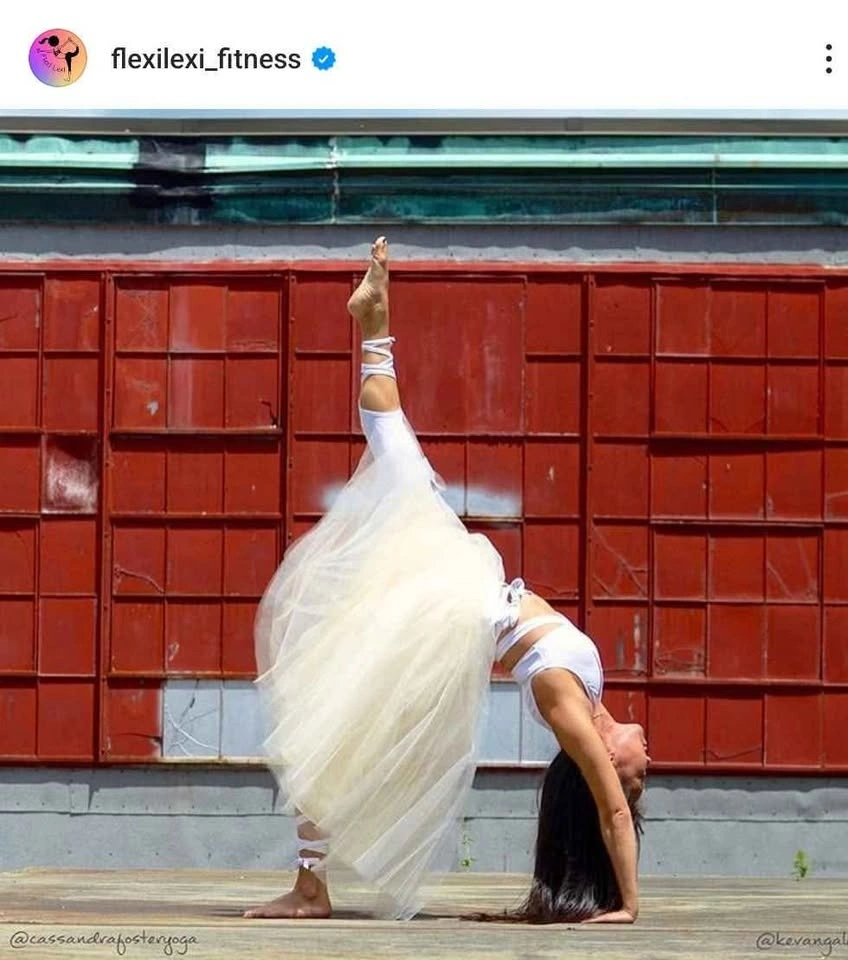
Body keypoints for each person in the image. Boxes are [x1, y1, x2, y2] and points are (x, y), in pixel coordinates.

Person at [245, 237, 649, 924]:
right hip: (461, 587)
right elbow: (612, 802)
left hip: (451, 604)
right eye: (641, 777)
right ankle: (374, 319)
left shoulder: (569, 710)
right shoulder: (590, 691)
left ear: (606, 759)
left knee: (335, 722)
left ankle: (311, 886)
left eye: (636, 774)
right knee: (395, 446)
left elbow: (611, 811)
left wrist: (630, 904)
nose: (645, 763)